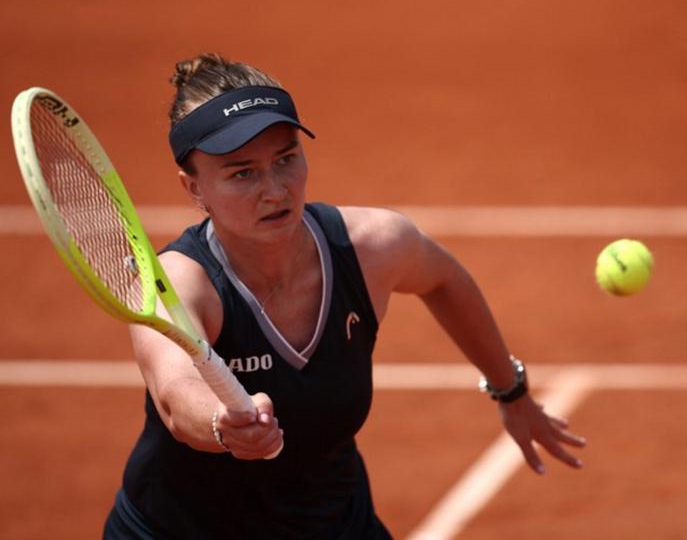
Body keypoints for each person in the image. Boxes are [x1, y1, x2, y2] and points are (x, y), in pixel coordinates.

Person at [103, 53, 586, 539]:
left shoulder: (371, 246)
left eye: (286, 159)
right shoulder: (177, 284)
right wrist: (221, 424)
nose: (275, 190)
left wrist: (511, 390)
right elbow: (174, 394)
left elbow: (444, 280)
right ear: (194, 187)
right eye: (242, 172)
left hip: (332, 524)